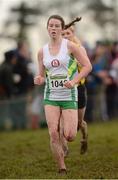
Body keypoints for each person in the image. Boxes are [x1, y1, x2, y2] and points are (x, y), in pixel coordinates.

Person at [34, 14, 92, 174]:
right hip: (51, 96)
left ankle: (79, 138)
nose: (53, 28)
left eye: (56, 26)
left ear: (62, 28)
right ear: (47, 28)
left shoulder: (71, 47)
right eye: (50, 25)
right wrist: (39, 78)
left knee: (70, 135)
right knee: (53, 133)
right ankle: (62, 167)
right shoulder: (41, 51)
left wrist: (73, 82)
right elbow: (41, 74)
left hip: (69, 96)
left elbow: (88, 66)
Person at [61, 17, 88, 155]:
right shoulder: (58, 51)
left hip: (79, 88)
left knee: (78, 123)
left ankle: (84, 138)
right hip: (63, 89)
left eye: (68, 34)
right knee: (62, 120)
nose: (65, 36)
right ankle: (64, 149)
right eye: (63, 34)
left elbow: (87, 67)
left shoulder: (80, 49)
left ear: (73, 34)